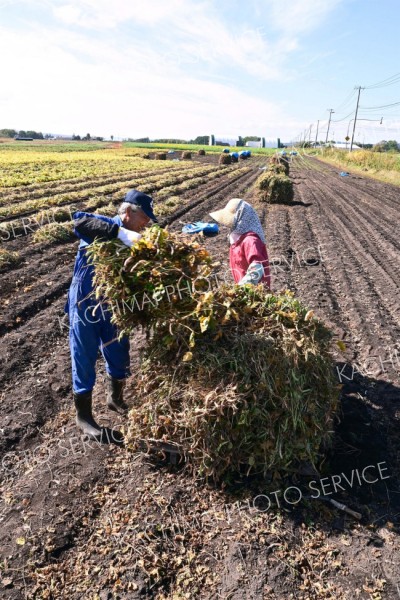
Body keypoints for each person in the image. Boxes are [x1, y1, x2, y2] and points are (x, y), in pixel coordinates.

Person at [65, 189, 158, 441]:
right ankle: (84, 417)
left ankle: (114, 398)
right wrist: (119, 233)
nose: (146, 225)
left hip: (114, 308)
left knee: (119, 353)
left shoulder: (137, 240)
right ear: (128, 213)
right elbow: (79, 221)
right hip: (85, 305)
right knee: (83, 356)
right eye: (145, 219)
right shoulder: (104, 227)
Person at [209, 198, 271, 288]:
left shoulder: (250, 240)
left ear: (241, 218)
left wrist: (241, 289)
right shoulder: (237, 238)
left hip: (254, 293)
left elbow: (257, 269)